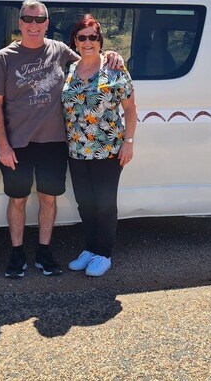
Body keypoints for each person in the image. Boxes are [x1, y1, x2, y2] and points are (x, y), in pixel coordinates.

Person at [0, 0, 123, 278]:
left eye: (39, 20)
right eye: (28, 19)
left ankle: (44, 252)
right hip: (17, 144)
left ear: (47, 23)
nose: (33, 25)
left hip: (55, 143)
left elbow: (89, 59)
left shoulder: (60, 50)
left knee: (48, 198)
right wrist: (2, 144)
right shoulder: (4, 57)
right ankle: (16, 253)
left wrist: (112, 54)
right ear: (20, 22)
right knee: (18, 199)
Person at [62, 14, 137, 277]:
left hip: (108, 150)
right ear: (75, 40)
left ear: (100, 40)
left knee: (105, 203)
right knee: (85, 203)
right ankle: (91, 249)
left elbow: (130, 109)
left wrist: (128, 142)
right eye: (82, 37)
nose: (88, 42)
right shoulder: (70, 69)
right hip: (77, 150)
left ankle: (104, 254)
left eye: (93, 37)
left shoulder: (115, 68)